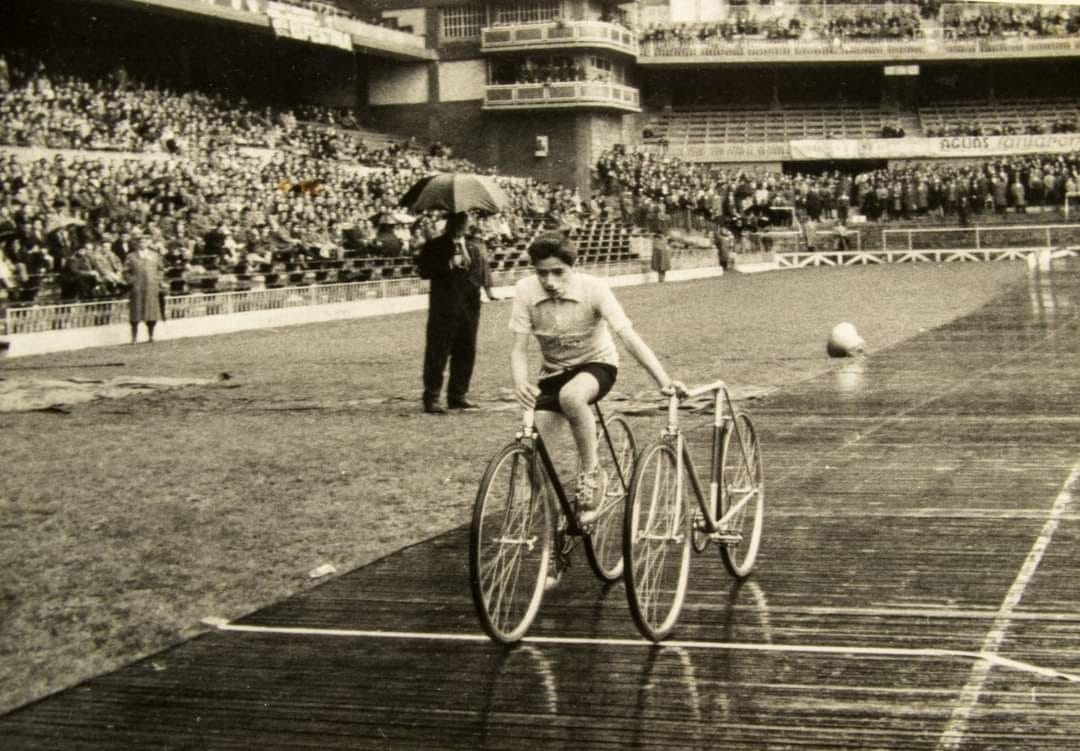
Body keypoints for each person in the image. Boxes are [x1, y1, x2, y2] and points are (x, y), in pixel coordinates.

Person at [509, 232, 684, 585]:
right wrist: (520, 382)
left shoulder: (594, 289)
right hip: (553, 373)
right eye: (542, 273)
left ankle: (592, 475)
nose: (549, 281)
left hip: (597, 365)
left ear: (573, 267)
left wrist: (663, 380)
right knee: (536, 459)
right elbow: (518, 348)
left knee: (572, 397)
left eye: (558, 272)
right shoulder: (525, 291)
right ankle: (557, 539)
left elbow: (628, 337)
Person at [415, 211, 497, 414]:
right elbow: (424, 270)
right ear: (449, 223)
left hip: (469, 306)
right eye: (458, 221)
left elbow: (480, 271)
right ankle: (432, 397)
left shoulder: (473, 245)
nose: (462, 225)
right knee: (438, 352)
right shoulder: (435, 245)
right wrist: (449, 263)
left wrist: (483, 291)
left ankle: (458, 395)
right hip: (444, 307)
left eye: (464, 221)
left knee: (466, 350)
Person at [124, 238, 165, 343]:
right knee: (135, 312)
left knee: (151, 312)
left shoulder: (155, 255)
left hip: (151, 287)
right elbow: (126, 271)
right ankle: (134, 338)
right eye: (140, 242)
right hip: (137, 287)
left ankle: (151, 336)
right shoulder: (131, 256)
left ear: (148, 243)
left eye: (145, 241)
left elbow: (161, 269)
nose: (142, 244)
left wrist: (157, 280)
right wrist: (131, 281)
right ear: (137, 243)